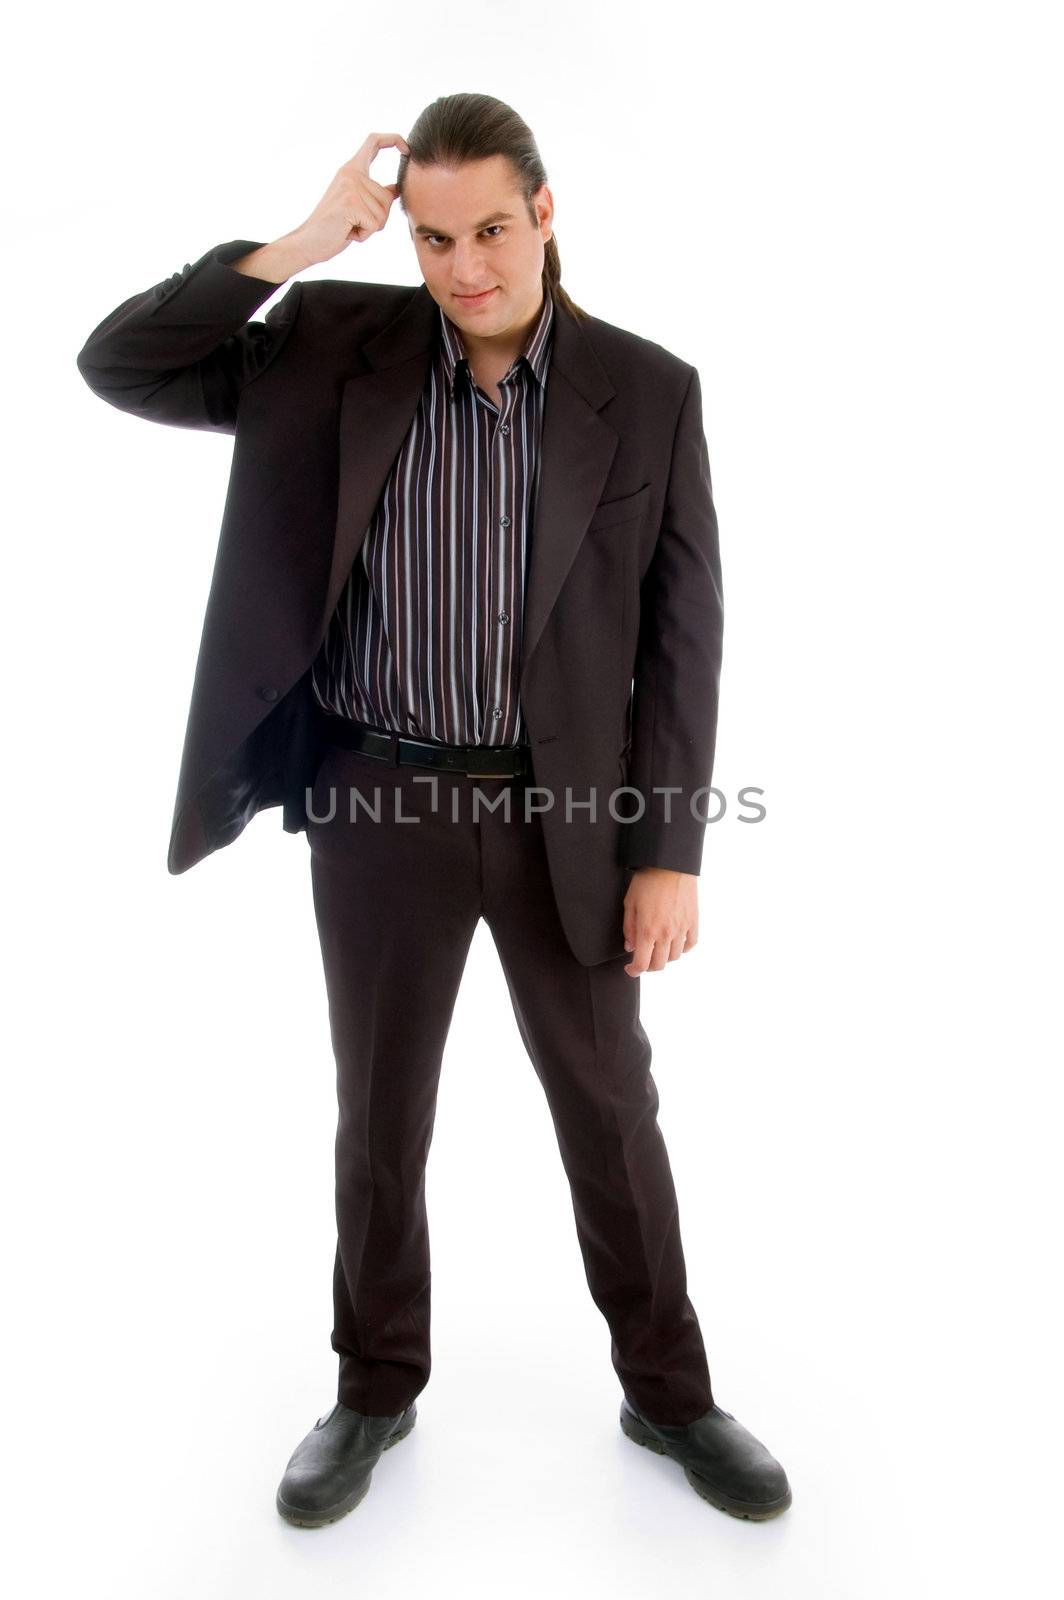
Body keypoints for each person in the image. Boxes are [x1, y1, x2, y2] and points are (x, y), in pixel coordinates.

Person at [76, 93, 791, 1526]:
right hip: (376, 801)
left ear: (545, 213)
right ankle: (373, 1387)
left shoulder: (648, 391)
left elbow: (684, 638)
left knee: (610, 1106)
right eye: (429, 239)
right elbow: (122, 365)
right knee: (379, 1111)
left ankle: (670, 1393)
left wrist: (670, 852)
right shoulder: (327, 349)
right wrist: (298, 242)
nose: (465, 267)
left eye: (490, 231)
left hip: (564, 816)